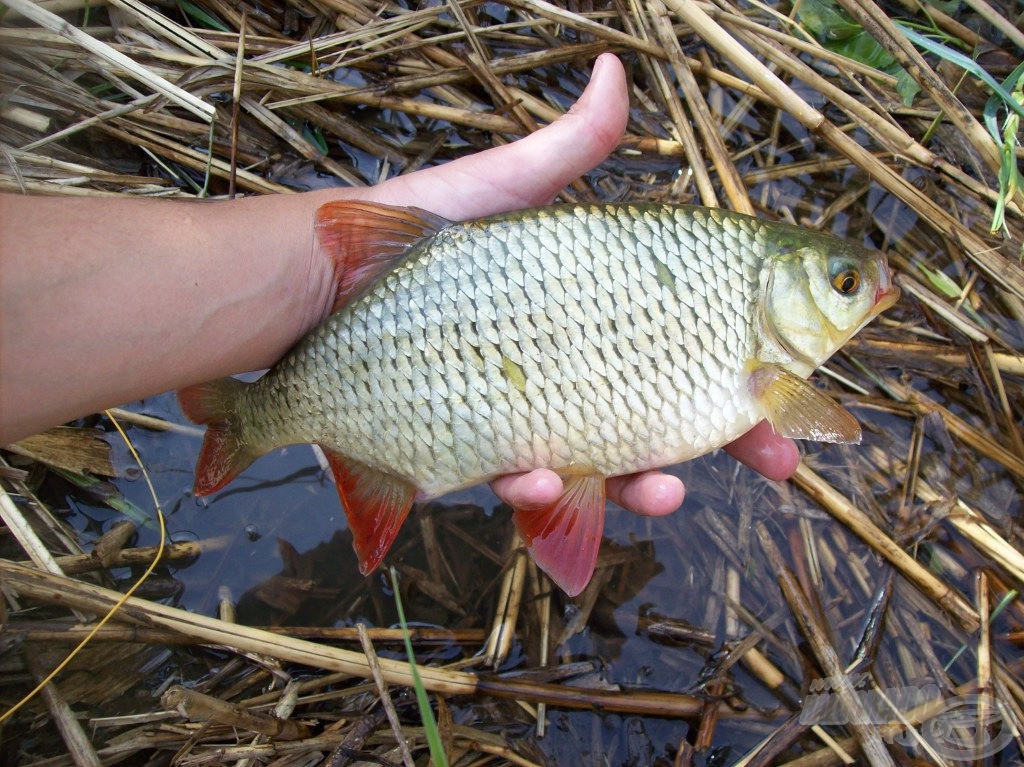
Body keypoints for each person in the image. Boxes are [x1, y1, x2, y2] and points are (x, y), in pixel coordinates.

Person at [0, 53, 798, 516]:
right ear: (776, 284)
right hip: (401, 332)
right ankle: (257, 415)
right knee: (566, 477)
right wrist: (331, 269)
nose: (861, 297)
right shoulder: (761, 350)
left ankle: (264, 413)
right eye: (842, 282)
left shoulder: (755, 346)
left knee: (565, 479)